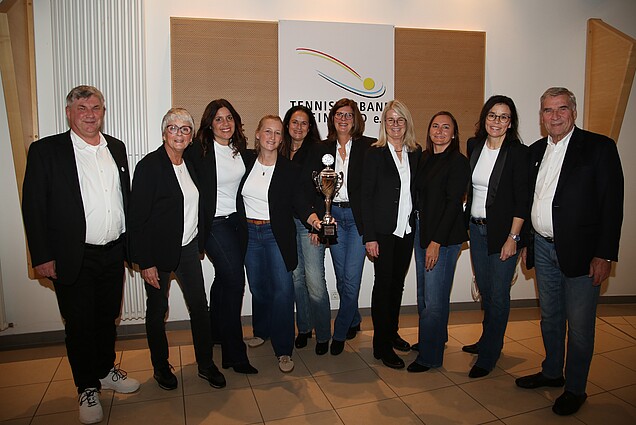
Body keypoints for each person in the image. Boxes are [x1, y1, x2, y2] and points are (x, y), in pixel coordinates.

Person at [21, 85, 140, 424]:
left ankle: (105, 371)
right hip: (72, 256)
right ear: (69, 113)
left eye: (96, 108)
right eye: (82, 108)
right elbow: (34, 206)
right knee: (79, 324)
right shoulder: (46, 151)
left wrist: (130, 248)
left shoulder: (116, 147)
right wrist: (42, 255)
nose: (90, 114)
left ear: (103, 112)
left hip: (113, 252)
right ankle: (86, 386)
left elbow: (124, 198)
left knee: (107, 318)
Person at [516, 87, 624, 416]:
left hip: (583, 253)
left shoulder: (599, 148)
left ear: (573, 112)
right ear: (541, 116)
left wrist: (604, 254)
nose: (555, 116)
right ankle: (552, 372)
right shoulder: (535, 151)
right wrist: (527, 242)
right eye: (548, 110)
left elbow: (612, 205)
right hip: (542, 247)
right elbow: (530, 200)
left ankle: (576, 388)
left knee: (579, 326)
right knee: (550, 317)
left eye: (561, 108)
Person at [128, 108, 226, 390]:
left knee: (200, 307)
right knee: (157, 311)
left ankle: (205, 364)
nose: (179, 133)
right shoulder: (149, 167)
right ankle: (161, 367)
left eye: (185, 129)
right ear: (164, 133)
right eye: (173, 128)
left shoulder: (190, 164)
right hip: (157, 254)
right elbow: (137, 220)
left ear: (191, 136)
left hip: (188, 249)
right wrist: (145, 262)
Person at [186, 99, 257, 374]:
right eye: (218, 119)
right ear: (209, 124)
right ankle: (234, 353)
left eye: (229, 118)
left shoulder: (240, 150)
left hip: (237, 222)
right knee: (236, 281)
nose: (225, 123)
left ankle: (216, 332)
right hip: (214, 225)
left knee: (224, 280)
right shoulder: (199, 150)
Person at [464, 95, 529, 378]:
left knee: (499, 294)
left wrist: (513, 238)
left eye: (503, 117)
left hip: (504, 233)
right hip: (477, 231)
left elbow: (522, 200)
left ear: (510, 123)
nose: (497, 121)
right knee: (486, 290)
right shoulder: (474, 146)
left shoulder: (518, 152)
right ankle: (487, 340)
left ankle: (489, 354)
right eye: (492, 115)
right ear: (484, 118)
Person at [303, 98, 374, 356]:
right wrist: (316, 222)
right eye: (339, 114)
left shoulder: (369, 146)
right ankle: (353, 318)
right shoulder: (321, 148)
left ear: (356, 119)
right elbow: (313, 187)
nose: (343, 119)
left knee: (351, 279)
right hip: (332, 219)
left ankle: (341, 332)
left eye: (348, 115)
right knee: (342, 279)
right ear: (332, 119)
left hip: (357, 220)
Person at [408, 111, 470, 373]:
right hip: (421, 231)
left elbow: (454, 204)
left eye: (446, 127)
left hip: (442, 237)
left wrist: (436, 242)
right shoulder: (424, 157)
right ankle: (432, 339)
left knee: (434, 299)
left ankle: (430, 356)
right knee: (425, 294)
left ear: (454, 134)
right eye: (435, 126)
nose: (440, 131)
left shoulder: (458, 162)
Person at [362, 100, 421, 369]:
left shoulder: (415, 153)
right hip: (383, 233)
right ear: (384, 124)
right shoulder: (374, 154)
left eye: (400, 120)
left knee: (397, 284)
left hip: (406, 231)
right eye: (390, 120)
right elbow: (366, 197)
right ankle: (381, 345)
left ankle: (392, 332)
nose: (395, 125)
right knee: (383, 286)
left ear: (406, 123)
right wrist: (370, 236)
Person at [241, 115, 302, 372]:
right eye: (268, 131)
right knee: (258, 287)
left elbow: (300, 201)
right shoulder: (244, 161)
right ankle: (261, 330)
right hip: (249, 233)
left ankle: (284, 349)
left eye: (277, 133)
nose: (272, 137)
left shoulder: (289, 169)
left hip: (276, 234)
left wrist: (314, 219)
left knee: (283, 291)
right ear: (257, 133)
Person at [281, 105, 331, 355]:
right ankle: (304, 328)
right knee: (296, 279)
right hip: (286, 224)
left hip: (309, 224)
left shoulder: (318, 151)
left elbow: (325, 190)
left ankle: (323, 334)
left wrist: (317, 224)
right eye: (294, 122)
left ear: (310, 126)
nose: (298, 127)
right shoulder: (280, 150)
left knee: (314, 281)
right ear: (287, 125)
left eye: (304, 123)